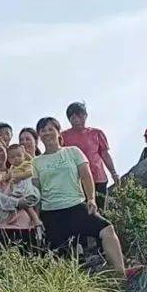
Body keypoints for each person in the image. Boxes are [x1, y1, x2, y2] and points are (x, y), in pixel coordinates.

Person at [33, 116, 126, 276]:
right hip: (51, 211)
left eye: (50, 129)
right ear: (39, 135)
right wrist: (37, 217)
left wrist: (91, 199)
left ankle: (121, 274)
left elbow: (86, 175)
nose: (47, 133)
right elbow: (36, 189)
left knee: (107, 230)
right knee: (61, 255)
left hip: (76, 206)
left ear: (58, 132)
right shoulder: (36, 162)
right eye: (43, 130)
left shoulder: (73, 152)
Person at [0, 140, 41, 252]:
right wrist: (17, 203)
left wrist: (32, 198)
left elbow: (33, 190)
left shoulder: (18, 170)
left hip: (27, 226)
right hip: (2, 228)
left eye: (1, 150)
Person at [61, 102, 120, 208]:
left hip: (98, 178)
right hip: (77, 180)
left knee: (101, 210)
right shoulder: (63, 137)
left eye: (80, 115)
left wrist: (113, 173)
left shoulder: (96, 133)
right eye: (73, 117)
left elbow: (105, 154)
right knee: (82, 212)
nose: (77, 119)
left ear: (85, 116)